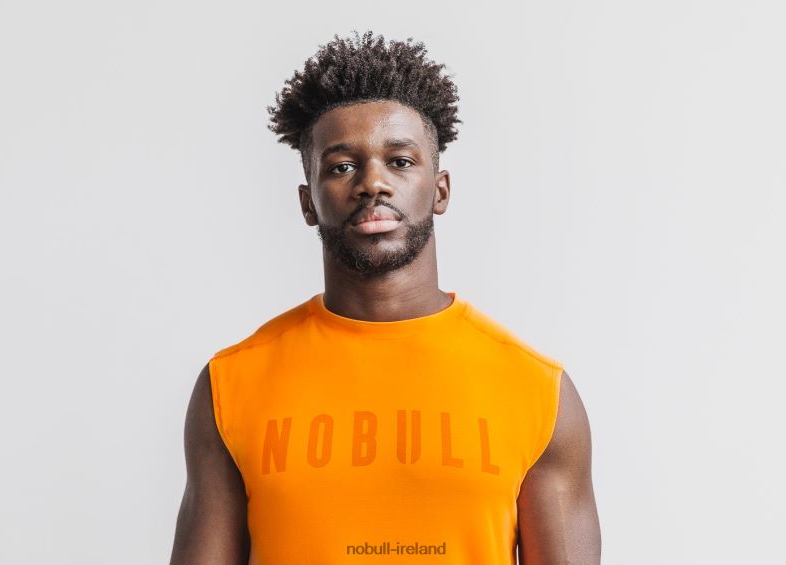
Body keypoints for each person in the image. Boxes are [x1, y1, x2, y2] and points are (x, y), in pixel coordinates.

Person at [170, 30, 601, 565]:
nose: (372, 183)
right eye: (342, 166)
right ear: (308, 203)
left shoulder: (538, 391)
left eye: (399, 161)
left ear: (440, 189)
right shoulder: (231, 385)